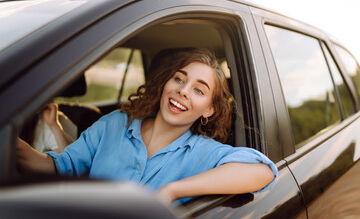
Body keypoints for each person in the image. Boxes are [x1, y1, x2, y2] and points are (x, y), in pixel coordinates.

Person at [17, 48, 278, 205]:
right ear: (166, 84)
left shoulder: (203, 152)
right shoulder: (115, 123)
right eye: (179, 79)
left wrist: (173, 190)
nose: (183, 91)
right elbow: (58, 167)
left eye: (199, 90)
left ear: (209, 109)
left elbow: (263, 171)